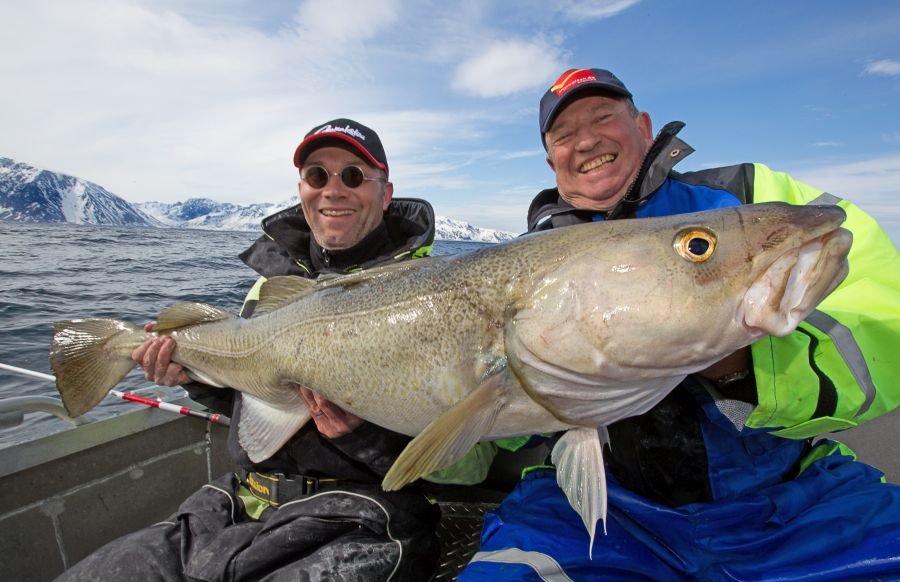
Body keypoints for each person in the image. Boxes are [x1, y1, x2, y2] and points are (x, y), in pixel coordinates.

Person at [458, 68, 900, 580]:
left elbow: (884, 321)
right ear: (550, 158)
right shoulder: (522, 259)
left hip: (795, 498)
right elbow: (494, 427)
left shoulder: (748, 196)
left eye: (603, 117)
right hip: (596, 515)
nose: (587, 141)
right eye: (564, 134)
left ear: (643, 127)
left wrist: (746, 364)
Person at [57, 118, 445, 581]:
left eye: (354, 175)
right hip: (237, 504)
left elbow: (463, 462)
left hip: (361, 518)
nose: (333, 190)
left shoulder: (429, 292)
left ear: (385, 193)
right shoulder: (270, 288)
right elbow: (253, 393)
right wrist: (193, 377)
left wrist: (360, 434)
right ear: (302, 189)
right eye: (317, 175)